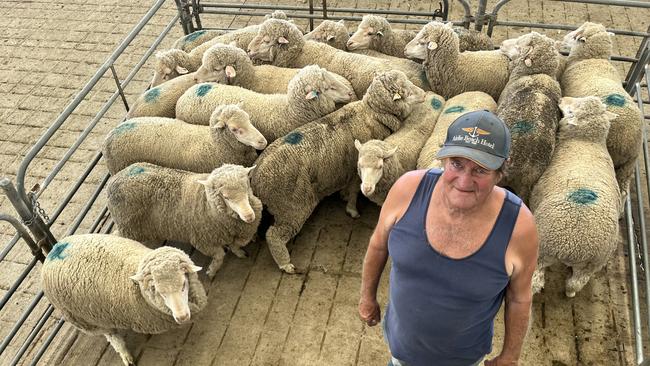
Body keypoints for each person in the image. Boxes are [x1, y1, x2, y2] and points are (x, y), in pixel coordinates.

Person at [358, 110, 539, 366]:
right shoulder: (408, 190)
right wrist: (367, 297)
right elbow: (378, 244)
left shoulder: (518, 226)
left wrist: (511, 356)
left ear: (500, 174)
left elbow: (519, 298)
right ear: (443, 159)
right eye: (456, 163)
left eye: (480, 170)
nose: (464, 181)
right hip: (400, 354)